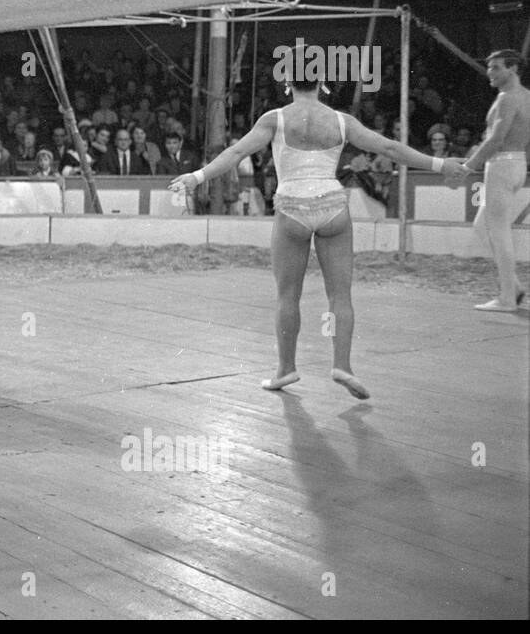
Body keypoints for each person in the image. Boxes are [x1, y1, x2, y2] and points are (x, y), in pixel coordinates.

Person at [170, 78, 467, 401]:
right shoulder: (342, 121)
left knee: (287, 295)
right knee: (340, 295)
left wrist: (195, 177)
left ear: (287, 84)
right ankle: (343, 365)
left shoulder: (275, 119)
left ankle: (286, 368)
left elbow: (237, 151)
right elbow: (390, 148)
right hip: (332, 206)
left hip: (292, 208)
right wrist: (441, 164)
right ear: (321, 83)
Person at [461, 49, 530, 312]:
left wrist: (469, 166)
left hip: (502, 165)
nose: (490, 72)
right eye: (489, 67)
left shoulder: (506, 98)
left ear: (512, 69)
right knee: (483, 226)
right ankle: (514, 289)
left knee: (499, 233)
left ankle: (507, 299)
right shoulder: (526, 97)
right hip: (516, 164)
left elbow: (496, 139)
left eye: (496, 67)